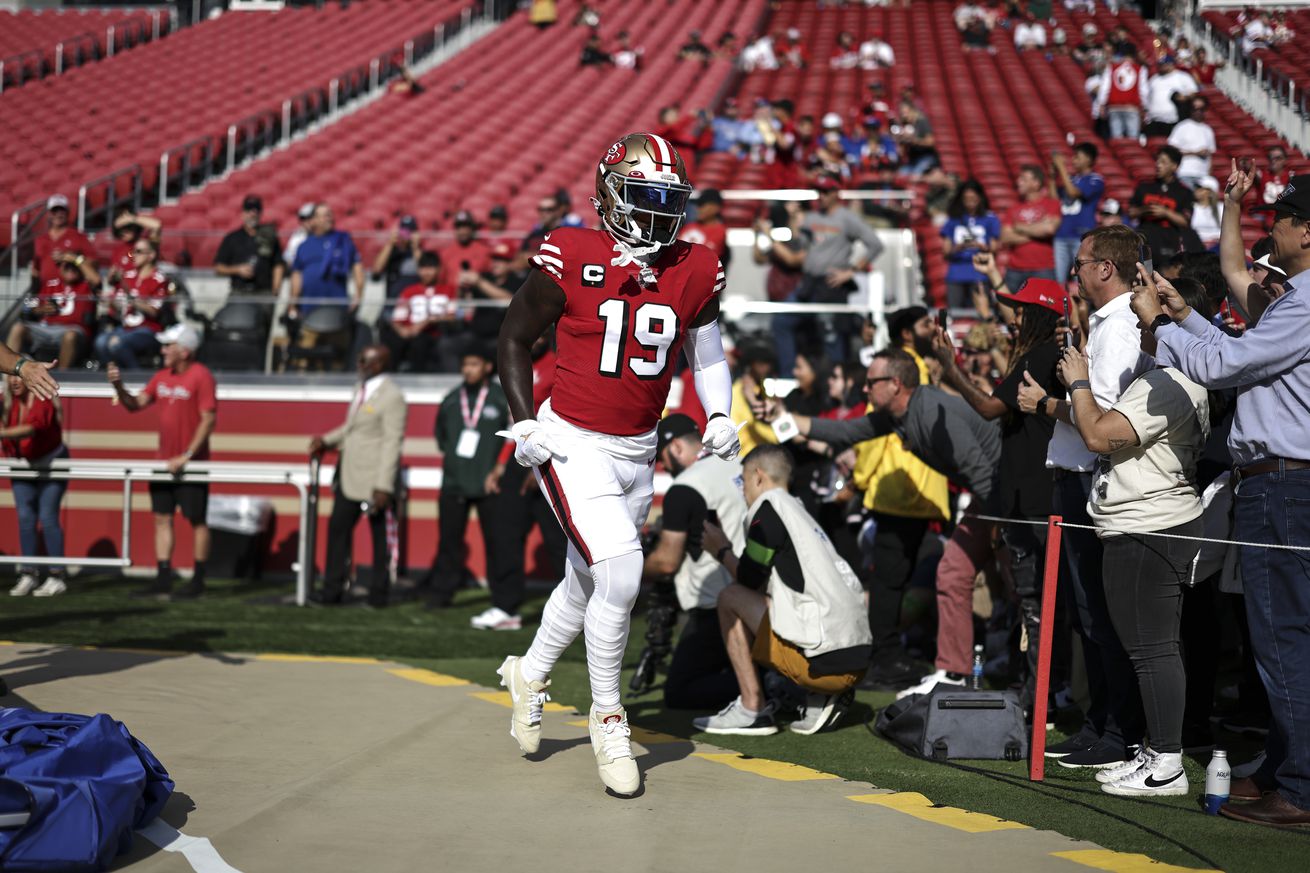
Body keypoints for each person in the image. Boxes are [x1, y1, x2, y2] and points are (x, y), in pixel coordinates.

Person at [494, 132, 739, 797]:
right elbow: (513, 337)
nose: (657, 212)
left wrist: (719, 413)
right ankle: (608, 717)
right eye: (643, 196)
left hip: (638, 449)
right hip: (572, 440)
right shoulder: (572, 251)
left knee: (586, 580)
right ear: (607, 194)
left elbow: (708, 353)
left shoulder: (696, 265)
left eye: (668, 200)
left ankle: (529, 673)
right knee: (622, 572)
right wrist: (524, 420)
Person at [1142, 176, 1310, 827]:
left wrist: (1164, 324)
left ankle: (1299, 785)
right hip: (1281, 481)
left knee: (1283, 636)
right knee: (1282, 635)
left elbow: (1223, 367)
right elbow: (1238, 351)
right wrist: (1185, 317)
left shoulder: (1302, 301)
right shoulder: (1294, 300)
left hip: (1285, 482)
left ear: (1307, 231)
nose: (1276, 229)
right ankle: (1285, 764)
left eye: (1284, 218)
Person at [1059, 273, 1211, 797]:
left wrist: (1079, 382)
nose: (1141, 329)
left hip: (1149, 525)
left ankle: (1166, 763)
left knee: (1152, 650)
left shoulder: (1166, 380)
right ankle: (1157, 749)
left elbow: (1097, 435)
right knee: (1150, 647)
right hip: (1149, 521)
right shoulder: (1172, 375)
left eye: (1147, 317)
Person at [1016, 224, 1154, 769]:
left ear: (1105, 269)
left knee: (1101, 616)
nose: (1072, 273)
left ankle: (1119, 731)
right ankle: (1101, 723)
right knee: (1087, 616)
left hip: (1092, 479)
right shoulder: (1105, 324)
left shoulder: (1118, 328)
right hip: (1077, 477)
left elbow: (1107, 419)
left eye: (1078, 264)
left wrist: (1046, 404)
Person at [786, 349, 1002, 698]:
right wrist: (786, 419)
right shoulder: (896, 415)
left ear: (896, 384)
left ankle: (1045, 688)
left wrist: (1001, 527)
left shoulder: (930, 411)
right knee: (952, 573)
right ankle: (954, 672)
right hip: (992, 499)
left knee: (1027, 588)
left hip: (1009, 497)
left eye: (871, 382)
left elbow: (980, 468)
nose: (864, 389)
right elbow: (844, 432)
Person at [934, 278, 1066, 711]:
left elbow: (990, 408)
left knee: (1039, 605)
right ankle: (1038, 692)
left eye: (1023, 310)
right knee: (1031, 602)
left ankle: (1044, 698)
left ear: (1041, 315)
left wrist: (950, 367)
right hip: (1024, 500)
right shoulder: (1036, 353)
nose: (1015, 317)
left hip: (1038, 501)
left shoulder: (1042, 355)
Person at [696, 445, 872, 735]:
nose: (742, 490)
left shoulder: (768, 510)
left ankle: (752, 708)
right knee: (766, 600)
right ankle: (820, 694)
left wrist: (721, 549)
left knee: (730, 597)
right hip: (855, 655)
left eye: (743, 480)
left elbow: (748, 578)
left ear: (758, 476)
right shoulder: (798, 509)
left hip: (826, 663)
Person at [107, 324, 216, 599]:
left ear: (185, 351)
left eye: (169, 346)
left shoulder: (201, 376)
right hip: (163, 463)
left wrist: (186, 456)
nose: (163, 350)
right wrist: (119, 386)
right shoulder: (161, 376)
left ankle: (198, 580)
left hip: (192, 465)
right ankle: (163, 577)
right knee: (161, 518)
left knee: (197, 520)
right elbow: (135, 404)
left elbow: (208, 420)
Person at [643, 414, 745, 711]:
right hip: (759, 592)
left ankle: (769, 685)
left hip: (717, 604)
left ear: (675, 447)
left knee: (680, 691)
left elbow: (666, 562)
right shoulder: (741, 465)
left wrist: (628, 569)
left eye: (663, 457)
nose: (664, 466)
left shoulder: (687, 485)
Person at [478, 331, 566, 631]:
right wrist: (501, 464)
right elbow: (517, 423)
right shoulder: (520, 362)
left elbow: (562, 420)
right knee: (506, 532)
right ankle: (505, 607)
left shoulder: (559, 364)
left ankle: (578, 607)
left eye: (541, 331)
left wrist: (539, 466)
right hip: (520, 458)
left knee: (558, 540)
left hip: (552, 460)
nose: (536, 336)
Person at [309, 345, 407, 607]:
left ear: (380, 364)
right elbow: (351, 429)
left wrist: (384, 485)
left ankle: (378, 596)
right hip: (349, 475)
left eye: (364, 360)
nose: (359, 364)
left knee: (379, 539)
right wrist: (326, 440)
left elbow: (392, 442)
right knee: (337, 531)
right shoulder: (360, 389)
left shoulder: (392, 396)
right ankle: (331, 591)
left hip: (374, 478)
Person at [426, 345, 513, 610]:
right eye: (465, 364)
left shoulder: (501, 398)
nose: (468, 370)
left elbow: (513, 437)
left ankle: (502, 600)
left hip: (489, 484)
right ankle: (441, 595)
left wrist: (497, 469)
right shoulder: (452, 398)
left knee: (497, 543)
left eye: (474, 364)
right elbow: (441, 437)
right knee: (449, 543)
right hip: (454, 483)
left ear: (487, 367)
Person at [773, 174, 884, 371]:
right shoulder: (812, 216)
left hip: (830, 286)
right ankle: (788, 375)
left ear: (836, 193)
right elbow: (797, 240)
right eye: (819, 191)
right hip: (808, 284)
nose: (821, 196)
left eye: (825, 191)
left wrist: (851, 271)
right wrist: (792, 217)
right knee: (781, 321)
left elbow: (875, 244)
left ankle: (836, 380)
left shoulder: (847, 218)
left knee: (831, 335)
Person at [2, 372, 69, 598]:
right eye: (10, 377)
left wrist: (2, 433)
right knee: (25, 518)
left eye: (18, 376)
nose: (14, 381)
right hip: (21, 464)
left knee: (48, 517)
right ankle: (28, 573)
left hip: (52, 463)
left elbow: (33, 427)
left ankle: (57, 575)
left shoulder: (42, 398)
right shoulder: (5, 402)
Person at [289, 203, 364, 366]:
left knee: (338, 359)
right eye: (324, 215)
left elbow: (357, 267)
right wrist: (293, 303)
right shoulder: (304, 246)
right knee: (305, 357)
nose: (329, 218)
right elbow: (296, 275)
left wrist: (358, 295)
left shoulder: (343, 241)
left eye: (330, 214)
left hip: (337, 312)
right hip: (309, 311)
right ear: (314, 220)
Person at [95, 238, 174, 368]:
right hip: (126, 328)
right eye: (133, 252)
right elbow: (120, 308)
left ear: (151, 255)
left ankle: (136, 375)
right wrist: (109, 301)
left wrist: (130, 296)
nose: (133, 256)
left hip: (148, 329)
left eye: (138, 252)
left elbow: (154, 311)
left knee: (118, 344)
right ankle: (114, 375)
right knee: (100, 342)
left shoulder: (159, 279)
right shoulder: (128, 276)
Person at [9, 254, 98, 369]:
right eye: (66, 266)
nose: (71, 269)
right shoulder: (50, 284)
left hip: (73, 329)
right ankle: (9, 374)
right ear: (60, 268)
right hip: (45, 328)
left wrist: (74, 259)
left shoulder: (86, 285)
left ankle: (63, 377)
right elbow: (30, 308)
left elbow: (96, 280)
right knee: (18, 328)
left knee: (70, 336)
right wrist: (41, 309)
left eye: (74, 266)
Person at [379, 251, 457, 373]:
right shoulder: (409, 291)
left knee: (419, 343)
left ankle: (418, 377)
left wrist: (429, 321)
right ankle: (390, 374)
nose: (426, 272)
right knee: (393, 340)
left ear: (438, 269)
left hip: (435, 333)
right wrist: (402, 330)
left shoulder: (449, 290)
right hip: (410, 331)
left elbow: (452, 315)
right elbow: (397, 318)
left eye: (430, 268)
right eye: (423, 268)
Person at [1130, 146, 1198, 266]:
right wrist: (1146, 209)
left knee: (1165, 275)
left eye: (1163, 162)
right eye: (1157, 161)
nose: (1158, 165)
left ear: (1174, 166)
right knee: (1146, 272)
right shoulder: (1145, 187)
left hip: (1169, 244)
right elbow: (1131, 212)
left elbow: (1185, 221)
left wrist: (1165, 212)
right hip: (1145, 242)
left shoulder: (1184, 192)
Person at [940, 180, 1001, 310]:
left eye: (973, 198)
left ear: (980, 198)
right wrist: (958, 247)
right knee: (955, 313)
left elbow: (994, 249)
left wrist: (982, 247)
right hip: (956, 273)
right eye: (966, 199)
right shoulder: (953, 219)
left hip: (980, 273)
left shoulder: (990, 218)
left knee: (982, 312)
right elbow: (945, 251)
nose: (970, 202)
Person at [1051, 143, 1105, 284]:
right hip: (1062, 234)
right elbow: (1054, 199)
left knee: (1081, 279)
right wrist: (1052, 176)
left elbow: (1073, 192)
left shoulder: (1095, 179)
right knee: (1058, 281)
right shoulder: (1071, 179)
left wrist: (1061, 167)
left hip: (1081, 236)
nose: (1073, 160)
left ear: (1089, 159)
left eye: (1077, 157)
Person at [1001, 164, 1062, 286]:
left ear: (1036, 183)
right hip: (1014, 270)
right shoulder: (1013, 208)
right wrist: (1038, 230)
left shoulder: (1052, 204)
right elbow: (1005, 238)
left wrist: (1019, 227)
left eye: (1023, 179)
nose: (1018, 182)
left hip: (1043, 269)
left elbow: (1049, 229)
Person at [214, 195, 284, 298]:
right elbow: (218, 268)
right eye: (248, 210)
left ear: (261, 213)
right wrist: (237, 269)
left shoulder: (270, 237)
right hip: (239, 292)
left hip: (263, 293)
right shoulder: (232, 238)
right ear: (242, 213)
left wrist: (276, 290)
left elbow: (278, 264)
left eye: (256, 210)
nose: (252, 214)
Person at [31, 195, 94, 290]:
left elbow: (93, 262)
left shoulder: (78, 236)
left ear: (67, 212)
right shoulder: (40, 239)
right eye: (54, 211)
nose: (58, 214)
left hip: (72, 292)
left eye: (61, 211)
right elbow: (36, 270)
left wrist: (73, 258)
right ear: (49, 214)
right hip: (46, 292)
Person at [1096, 48, 1148, 140]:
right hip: (1131, 107)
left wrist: (1101, 104)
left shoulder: (1111, 68)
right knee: (1133, 138)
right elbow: (1143, 91)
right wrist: (1144, 107)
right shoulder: (1140, 69)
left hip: (1114, 107)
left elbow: (1105, 87)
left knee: (1116, 139)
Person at [371, 215, 425, 302]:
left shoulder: (420, 252)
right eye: (404, 231)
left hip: (414, 300)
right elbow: (376, 270)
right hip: (393, 299)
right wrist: (390, 244)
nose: (407, 235)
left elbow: (424, 269)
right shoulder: (391, 252)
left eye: (410, 232)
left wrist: (415, 247)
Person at [1167, 97, 1216, 189]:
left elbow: (1210, 156)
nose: (1198, 111)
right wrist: (1195, 153)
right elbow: (1171, 151)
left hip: (1202, 175)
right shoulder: (1182, 127)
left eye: (1201, 109)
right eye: (1195, 108)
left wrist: (1209, 174)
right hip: (1184, 173)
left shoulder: (1208, 130)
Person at [1143, 56, 1197, 137]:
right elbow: (1147, 96)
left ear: (1172, 64)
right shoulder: (1154, 79)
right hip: (1154, 119)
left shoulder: (1182, 76)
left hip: (1173, 120)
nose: (1162, 66)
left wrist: (1185, 97)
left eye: (1165, 64)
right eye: (1160, 64)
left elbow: (1193, 92)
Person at [678, 189, 729, 267]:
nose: (698, 209)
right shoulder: (688, 226)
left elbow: (706, 258)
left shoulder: (719, 231)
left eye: (701, 205)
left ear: (715, 207)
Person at [441, 211, 492, 287]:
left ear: (472, 229)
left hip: (477, 293)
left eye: (465, 227)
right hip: (453, 293)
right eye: (459, 227)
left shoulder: (484, 251)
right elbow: (441, 281)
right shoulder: (445, 253)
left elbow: (491, 279)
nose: (462, 231)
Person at [1190, 177, 1223, 250]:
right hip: (1195, 246)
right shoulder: (1190, 207)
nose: (1196, 190)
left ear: (1210, 192)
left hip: (1217, 247)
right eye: (1196, 188)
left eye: (1200, 188)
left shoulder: (1222, 208)